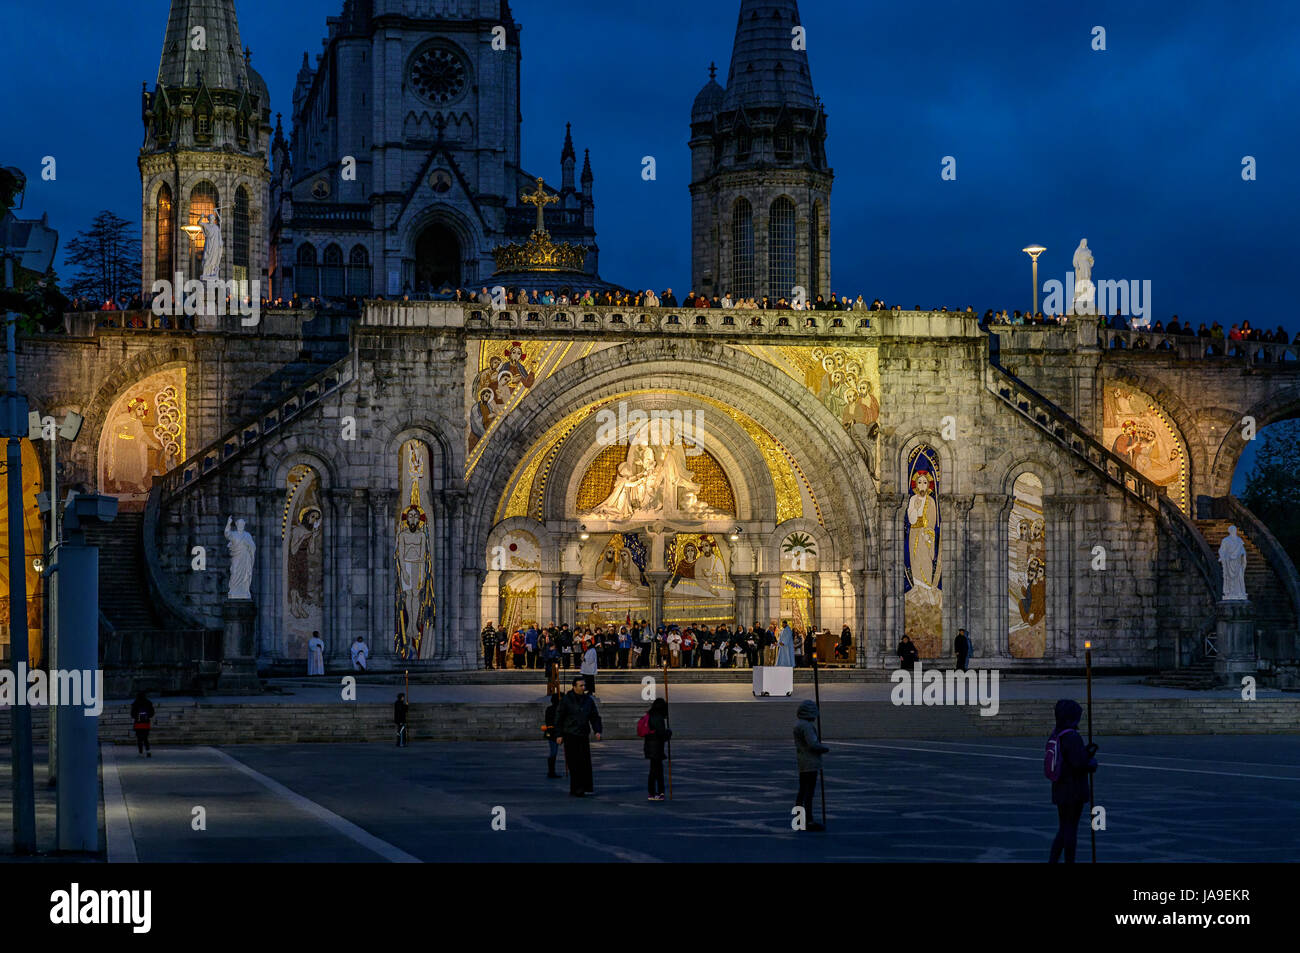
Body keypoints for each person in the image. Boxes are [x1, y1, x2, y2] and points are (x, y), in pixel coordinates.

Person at [1048, 699, 1098, 863]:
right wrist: (1091, 764)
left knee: (1063, 828)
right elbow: (1079, 763)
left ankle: (1053, 860)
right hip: (1074, 790)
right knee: (1070, 829)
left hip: (1060, 788)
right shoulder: (1072, 736)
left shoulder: (1057, 734)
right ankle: (1069, 860)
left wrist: (1084, 753)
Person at [555, 677, 603, 796]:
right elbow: (559, 717)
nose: (583, 688)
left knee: (584, 762)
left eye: (584, 685)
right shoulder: (566, 700)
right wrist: (559, 734)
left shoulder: (588, 700)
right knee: (574, 762)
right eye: (581, 686)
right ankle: (576, 788)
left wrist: (597, 730)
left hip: (583, 733)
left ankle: (584, 786)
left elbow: (594, 716)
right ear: (574, 687)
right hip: (570, 734)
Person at [792, 700, 829, 831]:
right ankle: (808, 820)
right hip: (810, 762)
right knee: (808, 792)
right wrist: (824, 748)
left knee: (802, 791)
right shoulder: (806, 726)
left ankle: (799, 819)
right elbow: (812, 744)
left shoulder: (798, 724)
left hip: (803, 761)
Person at [643, 698, 672, 801]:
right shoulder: (658, 718)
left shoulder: (650, 715)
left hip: (650, 746)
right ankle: (659, 792)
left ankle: (653, 792)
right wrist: (669, 733)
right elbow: (662, 735)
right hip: (656, 747)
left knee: (654, 770)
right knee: (657, 771)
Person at [542, 691, 562, 778]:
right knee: (553, 752)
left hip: (552, 732)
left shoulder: (550, 709)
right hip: (554, 733)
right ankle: (551, 772)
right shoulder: (556, 709)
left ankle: (551, 771)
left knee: (553, 751)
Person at [131, 691, 155, 758]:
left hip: (138, 724)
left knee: (139, 739)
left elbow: (132, 714)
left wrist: (137, 717)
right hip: (146, 723)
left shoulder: (135, 703)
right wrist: (147, 716)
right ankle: (148, 752)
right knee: (145, 738)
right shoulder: (148, 703)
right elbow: (152, 713)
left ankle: (140, 753)